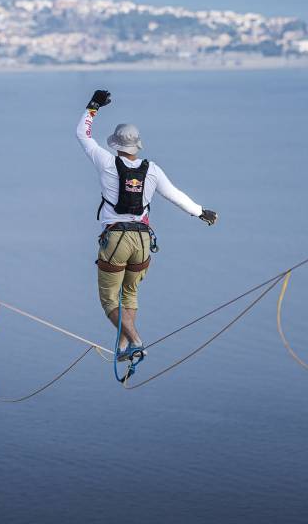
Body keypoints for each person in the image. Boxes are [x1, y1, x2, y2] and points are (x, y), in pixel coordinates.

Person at [76, 89, 217, 362]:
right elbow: (175, 195)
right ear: (137, 145)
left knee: (109, 300)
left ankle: (136, 340)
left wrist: (93, 107)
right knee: (129, 294)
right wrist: (201, 212)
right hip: (142, 241)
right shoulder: (152, 169)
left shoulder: (106, 162)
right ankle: (125, 346)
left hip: (116, 238)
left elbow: (83, 135)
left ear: (115, 145)